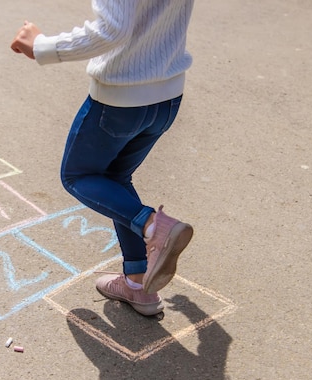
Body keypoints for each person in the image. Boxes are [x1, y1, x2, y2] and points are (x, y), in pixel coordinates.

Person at [11, 0, 195, 316]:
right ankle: (137, 284)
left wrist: (42, 46)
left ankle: (154, 227)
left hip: (120, 98)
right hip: (167, 96)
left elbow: (112, 30)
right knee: (115, 179)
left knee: (78, 176)